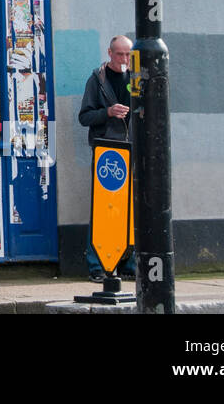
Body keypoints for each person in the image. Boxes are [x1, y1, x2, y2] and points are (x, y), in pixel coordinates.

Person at [77, 35, 136, 282]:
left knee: (130, 209)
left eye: (128, 55)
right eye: (120, 54)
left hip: (131, 149)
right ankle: (97, 266)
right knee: (103, 207)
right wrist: (108, 112)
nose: (124, 60)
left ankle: (128, 264)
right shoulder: (97, 80)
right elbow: (84, 117)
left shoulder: (137, 79)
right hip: (107, 150)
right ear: (110, 53)